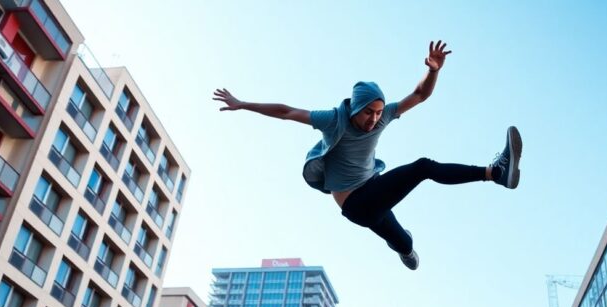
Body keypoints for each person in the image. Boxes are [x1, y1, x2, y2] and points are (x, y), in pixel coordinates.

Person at [213, 41, 522, 270]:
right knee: (423, 167)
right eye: (368, 113)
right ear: (355, 108)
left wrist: (432, 71)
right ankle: (494, 173)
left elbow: (420, 95)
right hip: (356, 203)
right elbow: (287, 111)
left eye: (378, 113)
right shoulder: (333, 119)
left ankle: (405, 248)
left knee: (405, 244)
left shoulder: (385, 116)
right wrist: (243, 104)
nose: (374, 119)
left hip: (372, 195)